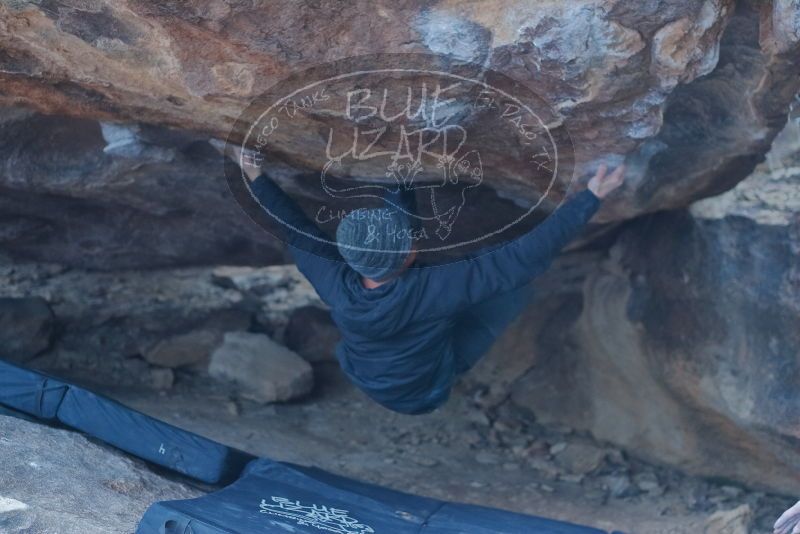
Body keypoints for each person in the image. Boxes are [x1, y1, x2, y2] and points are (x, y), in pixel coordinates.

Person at [218, 141, 624, 415]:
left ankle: (401, 184)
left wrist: (253, 171)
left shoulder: (333, 279)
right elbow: (517, 262)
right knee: (513, 288)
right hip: (426, 390)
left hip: (367, 372)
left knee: (480, 279)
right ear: (412, 252)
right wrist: (590, 198)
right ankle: (404, 194)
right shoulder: (436, 289)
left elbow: (293, 227)